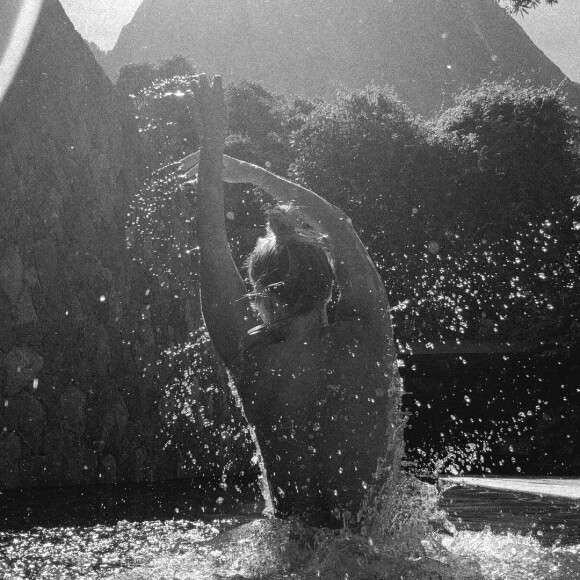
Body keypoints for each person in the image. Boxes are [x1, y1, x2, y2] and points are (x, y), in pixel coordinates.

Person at [179, 75, 403, 528]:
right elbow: (338, 225)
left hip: (292, 561)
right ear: (328, 281)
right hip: (379, 558)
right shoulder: (367, 337)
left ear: (259, 295)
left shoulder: (250, 358)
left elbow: (211, 245)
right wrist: (254, 175)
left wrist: (211, 149)